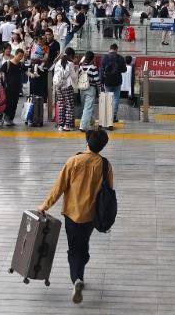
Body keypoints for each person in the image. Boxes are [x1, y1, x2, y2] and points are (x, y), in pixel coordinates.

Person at [38, 129, 114, 305]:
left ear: (87, 142)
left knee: (74, 249)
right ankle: (81, 270)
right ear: (102, 146)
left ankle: (77, 279)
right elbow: (109, 192)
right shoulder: (105, 165)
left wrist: (45, 205)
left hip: (72, 215)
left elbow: (59, 188)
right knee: (83, 244)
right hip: (91, 216)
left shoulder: (73, 161)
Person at [100, 43, 126, 125]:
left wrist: (101, 81)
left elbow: (101, 69)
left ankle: (108, 116)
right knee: (116, 98)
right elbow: (124, 70)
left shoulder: (104, 57)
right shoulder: (120, 58)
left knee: (108, 98)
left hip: (107, 81)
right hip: (117, 80)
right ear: (116, 49)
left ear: (110, 48)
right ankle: (114, 116)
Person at [0, 48, 26, 126]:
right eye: (19, 56)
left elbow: (26, 71)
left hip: (17, 88)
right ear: (16, 54)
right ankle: (6, 118)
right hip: (8, 88)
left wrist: (32, 75)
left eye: (22, 56)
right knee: (9, 103)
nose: (20, 57)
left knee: (15, 103)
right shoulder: (7, 64)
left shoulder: (21, 64)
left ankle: (11, 119)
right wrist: (2, 80)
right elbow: (1, 72)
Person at [53, 47, 77, 131]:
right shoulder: (70, 64)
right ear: (71, 55)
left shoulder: (58, 62)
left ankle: (60, 125)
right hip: (67, 86)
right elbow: (74, 77)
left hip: (58, 86)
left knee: (61, 105)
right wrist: (76, 69)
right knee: (69, 105)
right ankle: (67, 125)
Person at [78, 51, 100, 131]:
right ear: (92, 58)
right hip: (91, 89)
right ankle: (83, 126)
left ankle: (91, 121)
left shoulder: (81, 67)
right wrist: (100, 87)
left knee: (86, 107)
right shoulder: (93, 67)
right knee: (88, 108)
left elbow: (78, 77)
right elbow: (97, 79)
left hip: (82, 89)